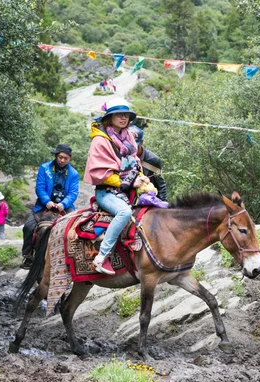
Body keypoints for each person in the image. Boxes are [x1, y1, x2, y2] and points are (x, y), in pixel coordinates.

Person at [84, 100, 149, 275]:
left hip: (129, 189)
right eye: (119, 114)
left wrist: (141, 178)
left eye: (126, 115)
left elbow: (135, 161)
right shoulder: (99, 140)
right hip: (107, 192)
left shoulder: (128, 136)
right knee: (125, 213)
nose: (124, 118)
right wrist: (127, 182)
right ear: (109, 117)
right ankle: (101, 257)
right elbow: (99, 173)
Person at [20, 144, 80, 269]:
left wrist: (63, 204)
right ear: (56, 156)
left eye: (65, 158)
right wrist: (47, 201)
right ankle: (28, 255)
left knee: (76, 228)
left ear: (70, 159)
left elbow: (73, 193)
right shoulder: (44, 168)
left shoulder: (74, 173)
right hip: (44, 205)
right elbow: (40, 187)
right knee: (29, 226)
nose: (62, 160)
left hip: (64, 206)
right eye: (60, 157)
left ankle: (74, 258)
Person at [128, 125, 167, 201]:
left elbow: (160, 184)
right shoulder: (121, 155)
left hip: (146, 195)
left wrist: (164, 203)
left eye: (134, 145)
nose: (131, 148)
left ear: (141, 142)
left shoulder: (152, 160)